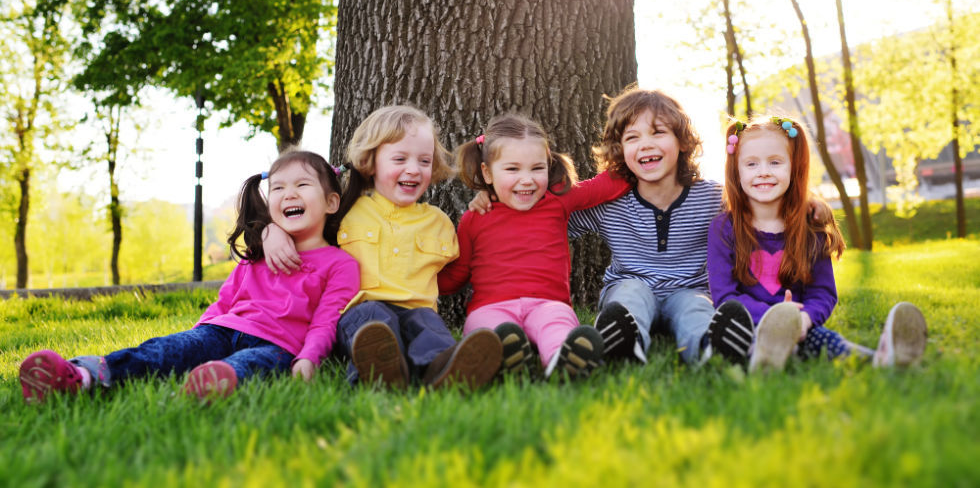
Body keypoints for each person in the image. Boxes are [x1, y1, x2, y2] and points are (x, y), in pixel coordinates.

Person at [20, 150, 361, 403]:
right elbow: (224, 301)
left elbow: (326, 320)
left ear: (331, 202)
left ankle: (207, 386)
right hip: (223, 330)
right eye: (278, 188)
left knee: (252, 365)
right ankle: (79, 375)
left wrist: (309, 358)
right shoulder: (256, 253)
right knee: (163, 351)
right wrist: (197, 337)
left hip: (279, 345)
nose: (289, 194)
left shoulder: (340, 264)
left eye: (302, 185)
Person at [264, 105, 502, 390]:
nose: (413, 169)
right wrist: (271, 231)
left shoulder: (438, 222)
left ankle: (444, 370)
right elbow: (303, 227)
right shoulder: (349, 210)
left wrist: (483, 205)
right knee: (374, 322)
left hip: (419, 309)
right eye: (399, 159)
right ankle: (375, 373)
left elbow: (452, 275)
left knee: (429, 328)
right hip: (361, 310)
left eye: (424, 161)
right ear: (371, 162)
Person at [706, 115, 928, 372]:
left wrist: (803, 319)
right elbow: (725, 296)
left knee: (828, 341)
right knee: (742, 342)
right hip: (748, 327)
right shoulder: (723, 228)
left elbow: (822, 293)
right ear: (736, 170)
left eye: (775, 162)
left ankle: (883, 360)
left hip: (800, 327)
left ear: (793, 167)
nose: (763, 171)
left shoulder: (810, 229)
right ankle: (764, 358)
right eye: (751, 164)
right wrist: (775, 319)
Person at [440, 113, 631, 380]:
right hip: (491, 307)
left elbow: (604, 187)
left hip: (548, 303)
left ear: (548, 166)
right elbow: (458, 274)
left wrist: (639, 158)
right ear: (487, 173)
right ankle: (507, 355)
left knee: (557, 325)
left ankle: (564, 360)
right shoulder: (475, 217)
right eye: (512, 169)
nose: (527, 179)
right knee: (489, 330)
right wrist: (420, 278)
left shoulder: (558, 200)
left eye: (537, 168)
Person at [565, 87, 728, 367]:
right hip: (631, 286)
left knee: (697, 308)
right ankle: (624, 347)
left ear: (682, 141)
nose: (645, 144)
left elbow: (759, 213)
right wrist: (495, 203)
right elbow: (549, 226)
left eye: (658, 132)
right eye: (632, 138)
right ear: (620, 150)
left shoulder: (714, 198)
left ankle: (708, 349)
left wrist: (808, 204)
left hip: (689, 289)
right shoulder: (610, 204)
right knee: (629, 296)